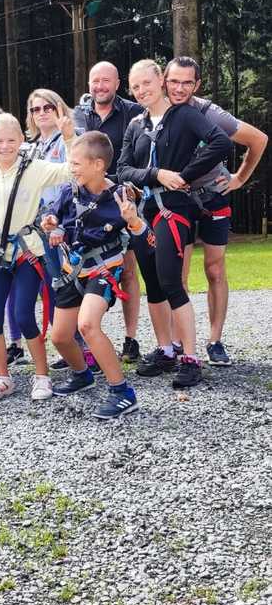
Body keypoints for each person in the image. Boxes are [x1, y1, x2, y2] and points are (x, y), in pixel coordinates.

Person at [117, 59, 232, 388]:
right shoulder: (136, 125)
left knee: (170, 280)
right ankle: (166, 350)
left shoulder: (184, 115)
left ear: (161, 81)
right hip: (143, 213)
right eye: (135, 86)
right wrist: (157, 174)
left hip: (174, 209)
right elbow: (123, 169)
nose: (141, 90)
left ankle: (190, 358)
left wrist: (185, 175)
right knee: (153, 284)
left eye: (146, 83)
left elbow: (221, 143)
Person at [0, 111, 76, 404]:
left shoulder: (34, 168)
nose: (5, 146)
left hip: (28, 253)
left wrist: (69, 138)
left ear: (21, 140)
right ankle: (2, 378)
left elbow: (71, 171)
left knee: (24, 315)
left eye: (11, 140)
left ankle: (42, 375)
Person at [42, 132, 159, 419]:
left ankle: (122, 392)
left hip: (104, 271)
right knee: (60, 337)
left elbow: (149, 242)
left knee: (87, 325)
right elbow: (54, 219)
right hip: (73, 271)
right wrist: (51, 224)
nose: (71, 168)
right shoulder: (69, 191)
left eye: (76, 163)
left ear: (98, 165)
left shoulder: (121, 196)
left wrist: (133, 221)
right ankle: (82, 375)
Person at [164, 56, 268, 365]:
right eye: (174, 81)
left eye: (187, 82)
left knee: (215, 269)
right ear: (164, 81)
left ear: (197, 85)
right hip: (177, 200)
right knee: (178, 273)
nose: (179, 88)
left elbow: (258, 139)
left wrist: (239, 179)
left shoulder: (210, 114)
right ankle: (180, 342)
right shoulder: (157, 111)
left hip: (212, 197)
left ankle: (215, 340)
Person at [74, 61, 143, 362]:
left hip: (120, 200)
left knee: (127, 270)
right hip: (85, 204)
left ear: (117, 83)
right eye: (95, 81)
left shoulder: (132, 113)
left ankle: (131, 338)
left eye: (106, 81)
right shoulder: (78, 114)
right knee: (80, 268)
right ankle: (84, 342)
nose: (100, 86)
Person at [5, 88, 73, 369]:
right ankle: (64, 346)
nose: (42, 113)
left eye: (48, 107)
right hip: (33, 228)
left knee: (64, 285)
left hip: (60, 223)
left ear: (59, 108)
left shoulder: (67, 140)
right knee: (49, 286)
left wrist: (60, 224)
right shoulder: (29, 147)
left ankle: (76, 347)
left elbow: (73, 179)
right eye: (36, 109)